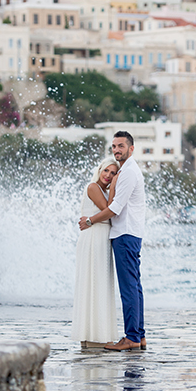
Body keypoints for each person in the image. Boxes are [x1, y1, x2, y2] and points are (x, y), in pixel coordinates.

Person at [79, 131, 146, 351]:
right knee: (134, 287)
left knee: (129, 288)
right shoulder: (127, 171)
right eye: (114, 146)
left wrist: (89, 221)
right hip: (130, 233)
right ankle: (139, 335)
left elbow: (114, 209)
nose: (117, 150)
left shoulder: (127, 173)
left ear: (131, 148)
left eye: (121, 146)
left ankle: (132, 337)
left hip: (125, 234)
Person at [71, 158, 119, 347]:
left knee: (100, 285)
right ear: (100, 170)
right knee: (92, 284)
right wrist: (115, 185)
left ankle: (97, 335)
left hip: (100, 238)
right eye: (106, 171)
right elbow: (110, 210)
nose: (108, 175)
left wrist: (91, 219)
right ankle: (93, 337)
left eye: (113, 173)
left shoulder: (102, 190)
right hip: (93, 239)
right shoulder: (93, 187)